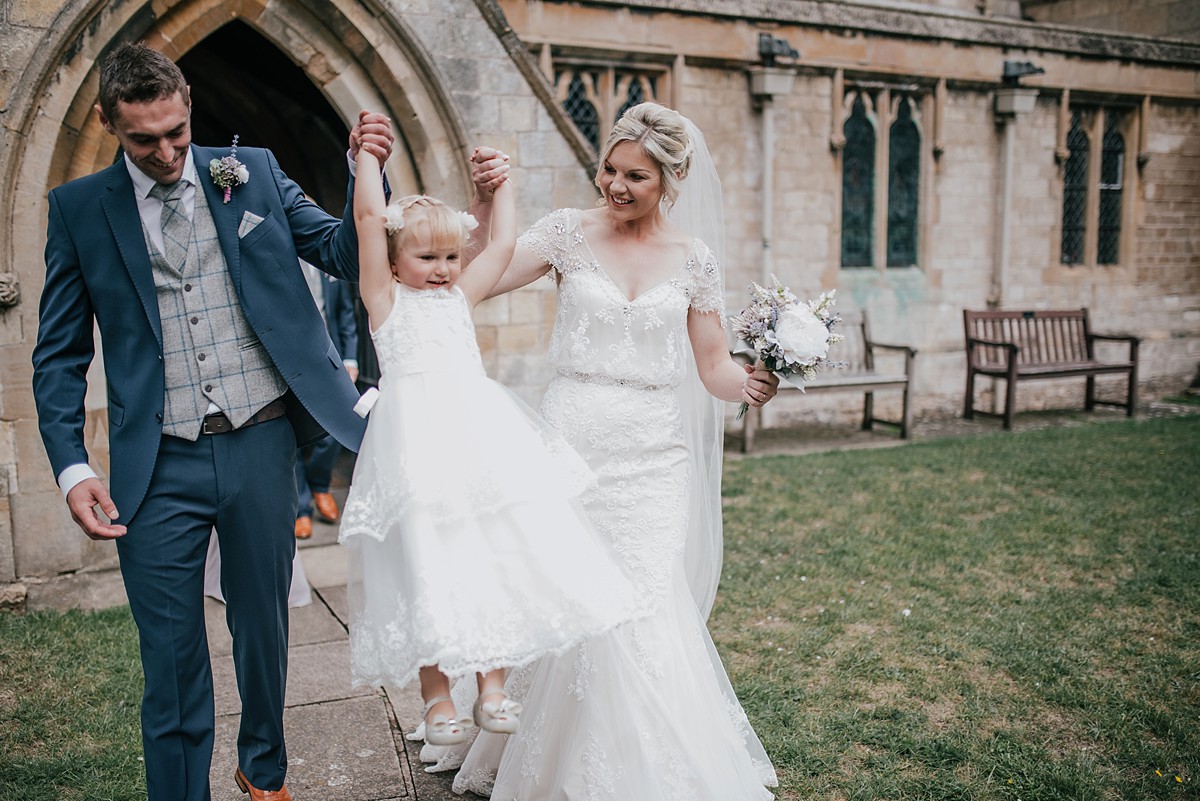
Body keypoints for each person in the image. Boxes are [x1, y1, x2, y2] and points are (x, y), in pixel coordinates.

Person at [30, 42, 393, 801]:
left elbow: (337, 247)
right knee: (169, 657)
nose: (165, 153)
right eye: (142, 139)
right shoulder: (77, 210)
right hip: (155, 463)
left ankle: (263, 772)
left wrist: (368, 174)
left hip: (261, 441)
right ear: (107, 122)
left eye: (176, 133)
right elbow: (59, 354)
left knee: (264, 632)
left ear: (188, 101)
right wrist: (73, 467)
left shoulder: (251, 172)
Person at [443, 102, 781, 799]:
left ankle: (643, 764)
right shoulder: (566, 233)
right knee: (567, 595)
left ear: (670, 182)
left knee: (643, 603)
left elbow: (713, 363)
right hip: (570, 444)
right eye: (610, 168)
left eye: (636, 177)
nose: (616, 186)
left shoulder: (695, 260)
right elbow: (482, 273)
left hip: (655, 460)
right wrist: (482, 205)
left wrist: (750, 383)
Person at [339, 146, 641, 749]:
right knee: (423, 568)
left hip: (476, 445)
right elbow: (369, 222)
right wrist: (368, 162)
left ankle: (493, 688)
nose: (445, 268)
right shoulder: (385, 303)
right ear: (395, 263)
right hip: (413, 458)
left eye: (451, 256)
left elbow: (501, 246)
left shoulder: (458, 300)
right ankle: (436, 700)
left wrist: (503, 184)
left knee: (490, 557)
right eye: (427, 257)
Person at [294, 260, 360, 539]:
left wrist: (350, 357)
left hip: (328, 358)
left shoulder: (325, 262)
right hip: (291, 358)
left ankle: (320, 484)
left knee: (337, 429)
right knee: (292, 436)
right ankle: (301, 508)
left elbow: (345, 313)